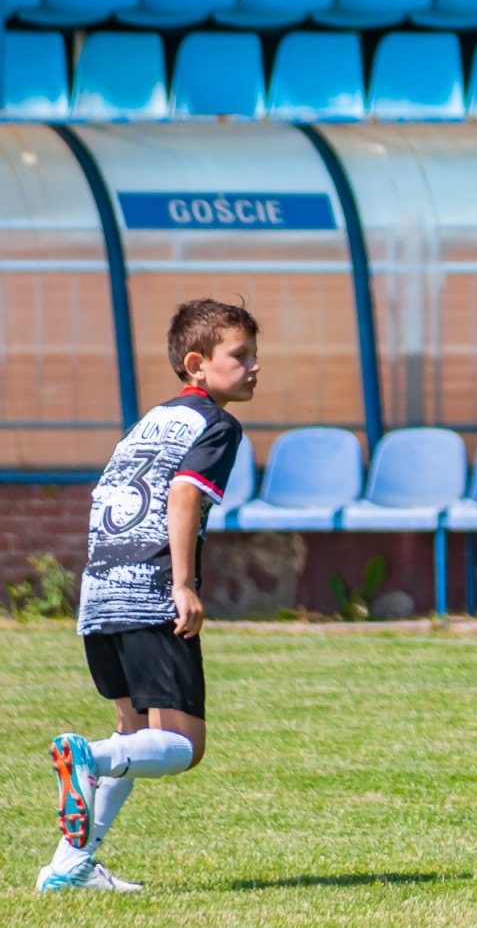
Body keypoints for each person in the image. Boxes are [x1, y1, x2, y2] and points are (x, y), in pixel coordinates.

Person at [38, 299, 258, 893]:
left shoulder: (151, 421)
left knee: (134, 735)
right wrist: (182, 585)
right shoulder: (217, 424)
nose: (254, 367)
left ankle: (68, 868)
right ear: (197, 364)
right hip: (150, 591)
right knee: (183, 747)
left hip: (100, 592)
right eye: (240, 356)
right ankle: (87, 758)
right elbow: (185, 498)